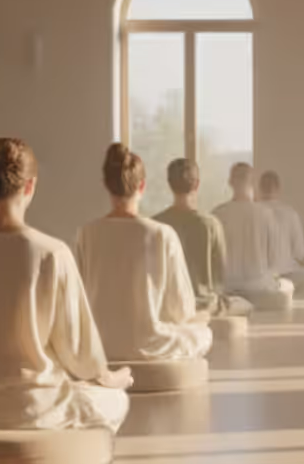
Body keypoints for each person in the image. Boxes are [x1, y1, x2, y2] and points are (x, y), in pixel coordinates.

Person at [0, 138, 132, 433]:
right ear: (30, 186)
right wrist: (107, 377)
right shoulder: (52, 252)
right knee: (115, 399)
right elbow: (79, 352)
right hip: (29, 408)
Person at [77, 144, 214, 364]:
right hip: (146, 343)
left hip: (98, 343)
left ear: (106, 185)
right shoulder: (161, 234)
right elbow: (180, 311)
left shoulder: (86, 233)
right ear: (142, 185)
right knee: (204, 333)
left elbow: (80, 299)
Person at [154, 157, 250, 317]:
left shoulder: (156, 224)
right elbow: (220, 276)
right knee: (247, 305)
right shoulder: (211, 224)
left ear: (169, 184)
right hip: (204, 305)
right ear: (197, 184)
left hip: (167, 304)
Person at [212, 162, 294, 310]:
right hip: (259, 286)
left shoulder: (217, 213)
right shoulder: (266, 213)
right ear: (253, 183)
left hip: (227, 286)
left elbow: (213, 259)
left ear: (230, 182)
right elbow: (275, 259)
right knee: (288, 285)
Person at [258, 170, 304, 291]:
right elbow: (299, 252)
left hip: (259, 274)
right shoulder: (290, 213)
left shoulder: (253, 213)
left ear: (260, 188)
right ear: (278, 188)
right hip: (287, 273)